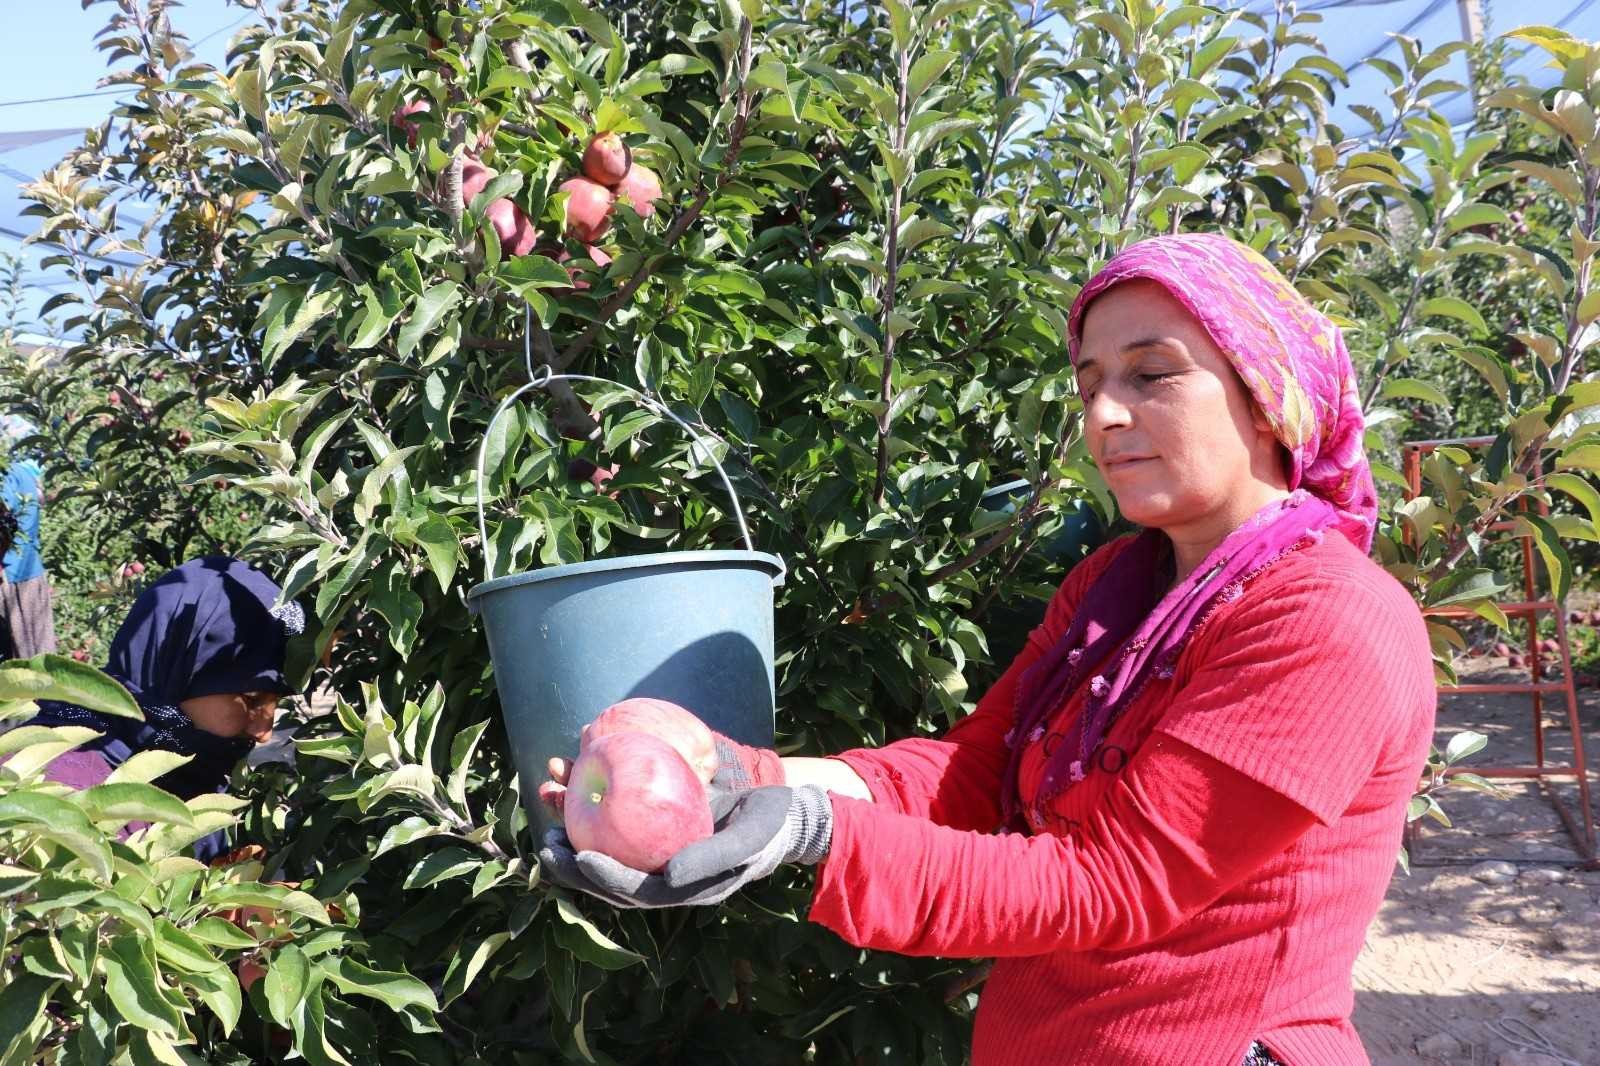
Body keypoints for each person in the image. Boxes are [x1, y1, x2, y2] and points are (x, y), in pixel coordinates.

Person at [540, 233, 1437, 1066]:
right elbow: (976, 773)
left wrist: (813, 835)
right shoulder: (1116, 590)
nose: (1107, 416)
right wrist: (744, 784)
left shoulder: (1327, 621)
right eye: (1089, 386)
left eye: (1152, 375)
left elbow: (1115, 885)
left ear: (1265, 390)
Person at [25, 556, 304, 861]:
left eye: (277, 702)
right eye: (251, 699)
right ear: (179, 670)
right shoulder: (56, 786)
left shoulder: (190, 778)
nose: (264, 731)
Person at [0, 456, 58, 660]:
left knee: (21, 657)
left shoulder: (8, 475)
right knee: (40, 651)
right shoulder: (22, 473)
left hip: (12, 576)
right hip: (30, 571)